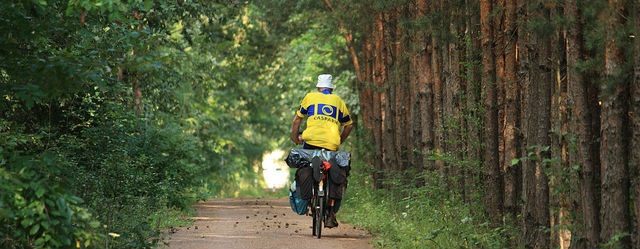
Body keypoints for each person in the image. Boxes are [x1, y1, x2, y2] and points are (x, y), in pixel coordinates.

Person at [290, 74, 353, 228]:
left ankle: (309, 194)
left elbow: (297, 120)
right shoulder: (338, 101)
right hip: (331, 145)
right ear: (331, 88)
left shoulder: (310, 97)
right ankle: (331, 210)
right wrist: (339, 140)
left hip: (310, 142)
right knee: (333, 171)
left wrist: (295, 138)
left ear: (318, 87)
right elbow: (349, 125)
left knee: (307, 165)